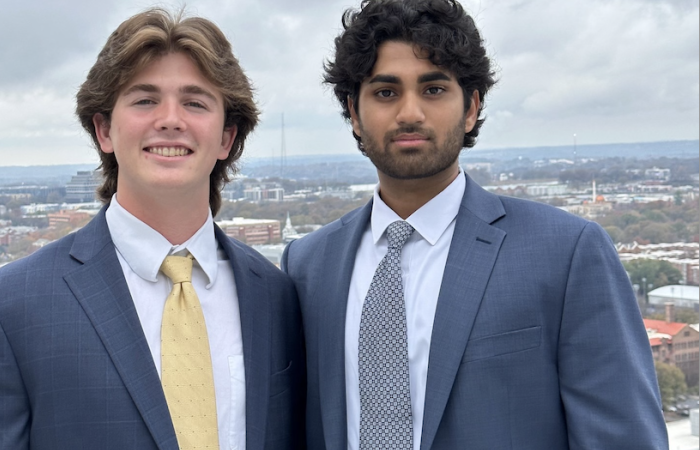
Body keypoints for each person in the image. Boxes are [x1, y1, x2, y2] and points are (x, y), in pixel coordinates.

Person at [282, 0, 668, 449]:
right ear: (353, 111)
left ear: (471, 107)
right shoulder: (307, 265)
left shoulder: (566, 253)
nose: (410, 113)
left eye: (433, 90)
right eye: (386, 92)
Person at [0, 8, 305, 450]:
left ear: (226, 138)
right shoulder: (5, 309)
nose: (170, 119)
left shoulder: (277, 296)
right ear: (104, 129)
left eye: (195, 102)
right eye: (145, 100)